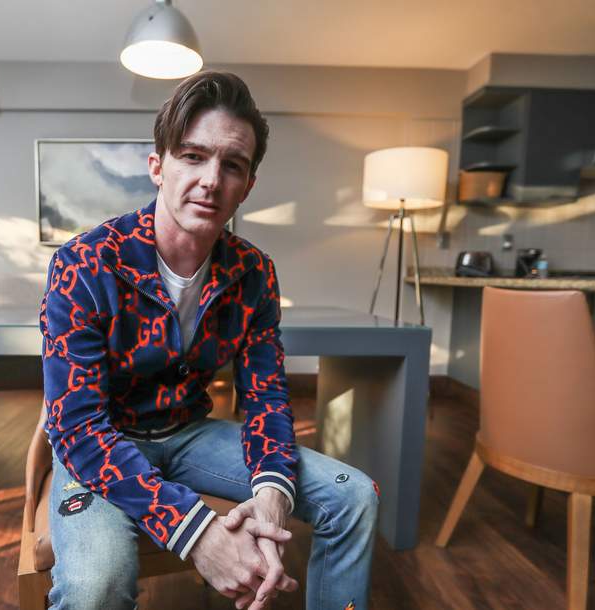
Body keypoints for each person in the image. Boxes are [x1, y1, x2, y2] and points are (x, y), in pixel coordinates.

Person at [40, 71, 379, 610]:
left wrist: (272, 493)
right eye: (193, 156)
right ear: (158, 167)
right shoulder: (84, 263)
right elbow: (76, 426)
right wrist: (197, 532)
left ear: (248, 185)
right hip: (103, 441)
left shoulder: (254, 272)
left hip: (189, 434)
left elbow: (266, 396)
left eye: (232, 165)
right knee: (95, 585)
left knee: (353, 495)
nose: (211, 181)